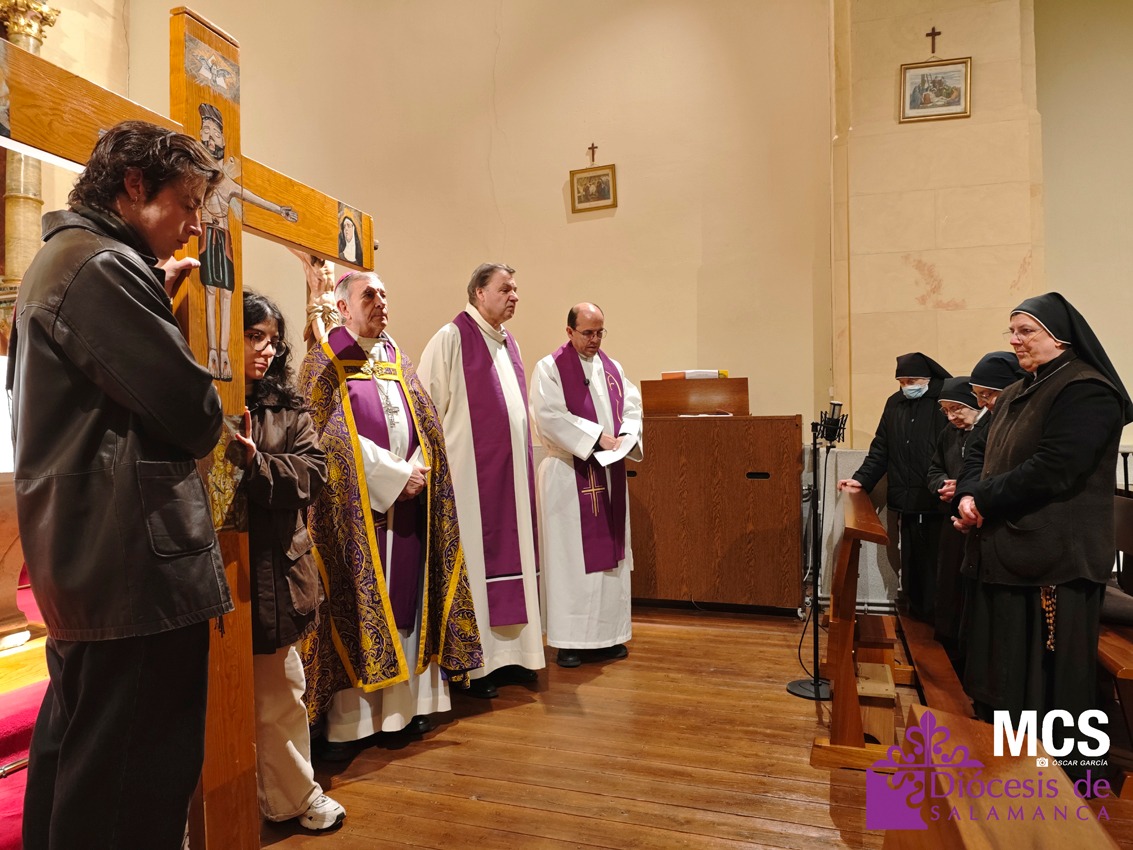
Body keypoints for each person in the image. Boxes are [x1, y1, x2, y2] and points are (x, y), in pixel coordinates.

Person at [8, 120, 231, 850]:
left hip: (97, 562)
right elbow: (195, 413)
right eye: (187, 203)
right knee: (133, 789)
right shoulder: (101, 266)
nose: (194, 225)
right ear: (134, 185)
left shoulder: (66, 261)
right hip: (134, 569)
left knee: (81, 772)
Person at [300, 271, 482, 758]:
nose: (381, 302)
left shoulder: (396, 357)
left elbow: (426, 424)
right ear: (343, 307)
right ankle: (354, 725)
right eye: (369, 295)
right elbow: (326, 438)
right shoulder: (324, 362)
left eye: (384, 294)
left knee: (408, 605)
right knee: (357, 605)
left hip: (410, 510)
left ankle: (405, 710)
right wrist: (394, 476)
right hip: (358, 513)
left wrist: (419, 469)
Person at [954, 293, 1132, 733]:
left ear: (1060, 338)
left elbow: (1054, 469)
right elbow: (978, 451)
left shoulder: (1087, 390)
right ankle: (1002, 756)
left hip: (1054, 559)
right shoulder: (1017, 391)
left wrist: (983, 500)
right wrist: (969, 495)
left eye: (1026, 331)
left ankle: (1051, 767)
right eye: (1012, 331)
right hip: (1007, 549)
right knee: (1001, 675)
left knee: (1041, 683)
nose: (1015, 340)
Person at [225, 290, 344, 832]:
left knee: (280, 695)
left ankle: (294, 799)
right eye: (254, 336)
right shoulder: (199, 398)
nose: (266, 350)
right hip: (218, 569)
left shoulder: (286, 406)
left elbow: (314, 473)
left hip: (272, 570)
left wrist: (257, 467)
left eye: (272, 340)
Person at [418, 263, 545, 697]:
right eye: (505, 289)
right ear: (478, 293)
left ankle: (517, 657)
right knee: (476, 563)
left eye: (515, 289)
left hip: (513, 481)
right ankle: (477, 665)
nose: (514, 296)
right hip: (470, 485)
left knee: (518, 559)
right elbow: (427, 410)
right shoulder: (451, 338)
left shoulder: (509, 343)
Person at [530, 303, 643, 668]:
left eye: (600, 332)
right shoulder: (549, 369)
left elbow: (632, 408)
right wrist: (597, 438)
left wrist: (626, 436)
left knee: (609, 565)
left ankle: (607, 637)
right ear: (569, 331)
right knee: (571, 564)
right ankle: (569, 641)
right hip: (568, 475)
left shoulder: (613, 369)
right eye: (587, 333)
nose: (595, 340)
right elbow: (549, 416)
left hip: (607, 475)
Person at [838, 353, 951, 621]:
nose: (906, 387)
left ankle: (938, 620)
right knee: (910, 561)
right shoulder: (895, 403)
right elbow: (881, 448)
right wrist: (861, 479)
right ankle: (916, 615)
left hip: (937, 499)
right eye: (901, 382)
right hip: (906, 498)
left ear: (928, 379)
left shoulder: (943, 402)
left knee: (939, 564)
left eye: (911, 381)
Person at [197, 103, 297, 381]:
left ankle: (224, 354)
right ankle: (211, 352)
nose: (210, 137)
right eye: (205, 131)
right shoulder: (196, 178)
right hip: (207, 236)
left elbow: (252, 197)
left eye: (215, 132)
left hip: (224, 239)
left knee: (227, 294)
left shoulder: (226, 182)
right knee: (209, 292)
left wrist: (279, 209)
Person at [925, 377, 986, 661]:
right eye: (946, 411)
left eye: (956, 409)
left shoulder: (988, 430)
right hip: (950, 518)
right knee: (948, 583)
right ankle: (947, 640)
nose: (951, 417)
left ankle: (967, 649)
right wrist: (941, 484)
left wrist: (963, 488)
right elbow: (934, 468)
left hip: (978, 520)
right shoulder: (948, 433)